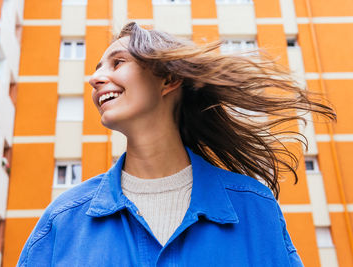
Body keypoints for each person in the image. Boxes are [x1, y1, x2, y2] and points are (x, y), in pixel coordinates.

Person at [17, 22, 335, 266]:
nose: (95, 78)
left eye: (117, 63)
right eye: (98, 68)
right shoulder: (63, 221)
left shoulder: (254, 208)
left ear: (169, 80)